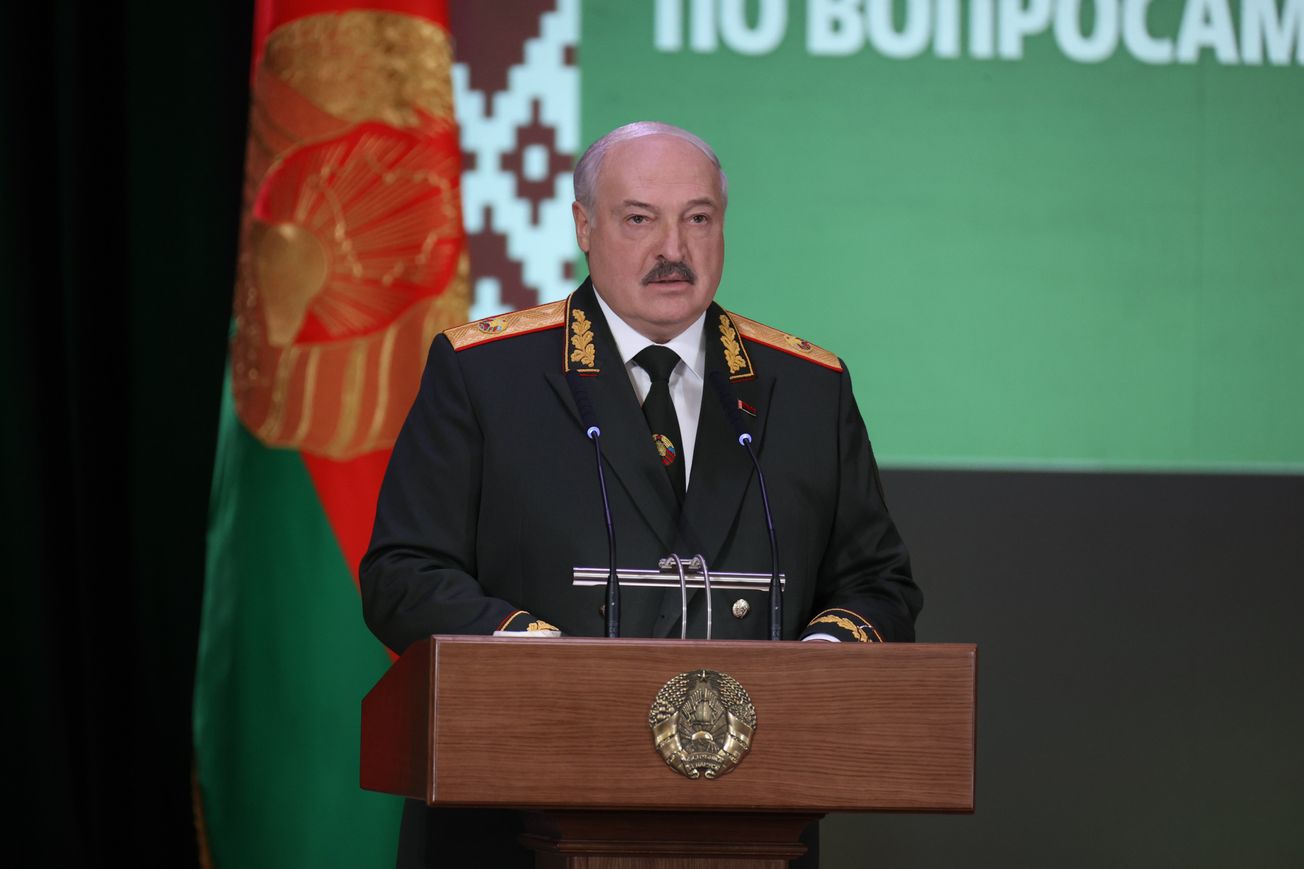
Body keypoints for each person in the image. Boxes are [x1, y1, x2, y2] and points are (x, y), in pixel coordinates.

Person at [360, 121, 922, 868]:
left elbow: (878, 583)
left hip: (748, 817)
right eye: (639, 219)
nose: (673, 249)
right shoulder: (485, 373)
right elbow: (404, 574)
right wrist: (538, 657)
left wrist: (817, 670)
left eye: (698, 218)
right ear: (583, 227)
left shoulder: (808, 387)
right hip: (519, 811)